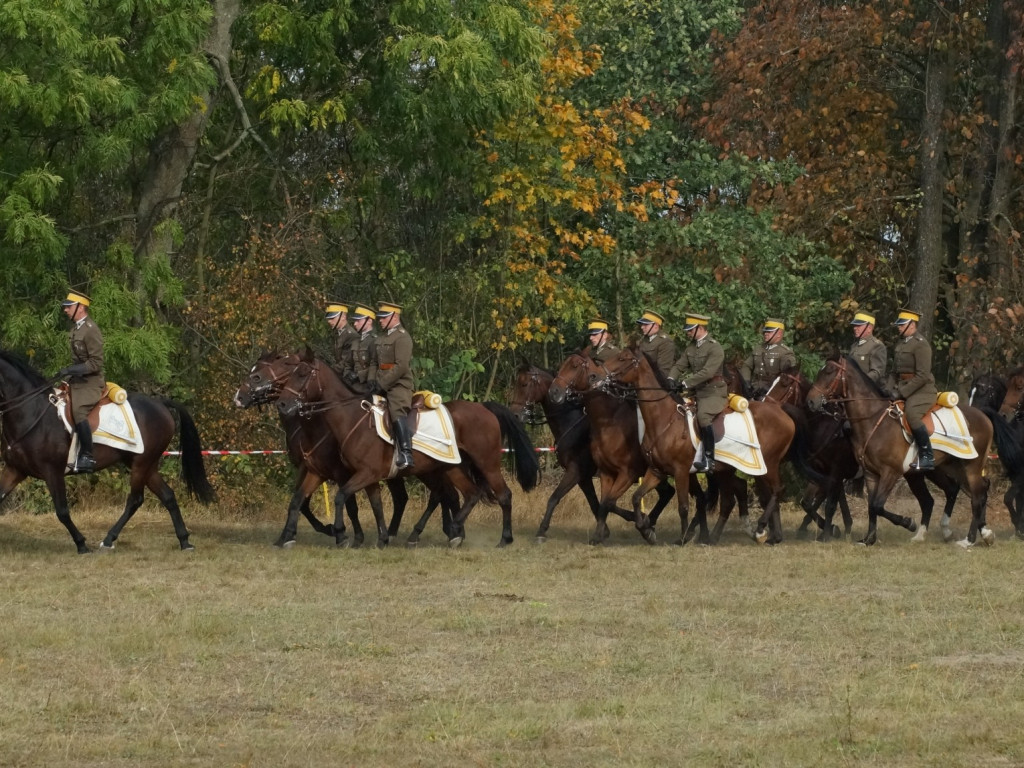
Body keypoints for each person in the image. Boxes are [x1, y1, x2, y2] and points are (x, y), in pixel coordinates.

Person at [667, 312, 728, 473]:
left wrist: (685, 383)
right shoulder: (691, 348)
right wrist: (671, 378)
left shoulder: (715, 347)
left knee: (703, 416)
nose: (687, 333)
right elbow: (680, 365)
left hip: (713, 392)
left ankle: (709, 459)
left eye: (690, 330)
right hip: (697, 391)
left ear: (699, 328)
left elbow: (708, 372)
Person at [57, 291, 104, 473]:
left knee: (78, 411)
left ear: (81, 307)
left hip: (91, 382)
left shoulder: (91, 329)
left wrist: (71, 370)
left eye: (69, 307)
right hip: (77, 380)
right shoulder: (76, 329)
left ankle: (87, 455)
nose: (66, 310)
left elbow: (96, 362)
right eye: (66, 307)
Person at [889, 308, 937, 471]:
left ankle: (927, 456)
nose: (899, 327)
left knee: (912, 415)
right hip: (903, 386)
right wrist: (888, 390)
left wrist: (902, 393)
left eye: (902, 324)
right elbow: (894, 372)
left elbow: (923, 375)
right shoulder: (902, 343)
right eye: (899, 324)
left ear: (912, 325)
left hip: (922, 390)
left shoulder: (921, 345)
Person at [372, 302, 415, 470]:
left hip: (399, 385)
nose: (380, 321)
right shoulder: (382, 338)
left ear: (394, 317)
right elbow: (376, 363)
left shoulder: (403, 337)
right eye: (380, 317)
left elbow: (401, 366)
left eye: (383, 318)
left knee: (396, 407)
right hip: (380, 382)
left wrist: (382, 383)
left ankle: (406, 452)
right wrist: (372, 382)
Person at [740, 317, 797, 399]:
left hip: (772, 394)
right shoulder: (758, 348)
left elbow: (788, 376)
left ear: (779, 334)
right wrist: (746, 382)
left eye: (770, 331)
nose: (766, 333)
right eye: (765, 331)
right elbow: (746, 366)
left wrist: (769, 387)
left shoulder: (785, 353)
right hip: (753, 389)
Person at [343, 304, 378, 386]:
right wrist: (346, 376)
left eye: (358, 321)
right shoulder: (355, 341)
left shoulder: (375, 341)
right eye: (355, 321)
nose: (355, 324)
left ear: (369, 321)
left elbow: (377, 366)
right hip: (354, 383)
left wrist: (358, 375)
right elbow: (348, 364)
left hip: (369, 383)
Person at [849, 311, 887, 384]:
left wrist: (859, 382)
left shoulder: (877, 346)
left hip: (870, 389)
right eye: (855, 325)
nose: (855, 328)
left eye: (859, 325)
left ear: (869, 328)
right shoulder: (854, 346)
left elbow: (877, 372)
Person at [325, 301, 359, 380]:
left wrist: (329, 371)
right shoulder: (338, 333)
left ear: (343, 317)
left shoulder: (351, 335)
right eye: (329, 318)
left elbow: (346, 363)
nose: (329, 321)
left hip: (349, 377)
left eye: (332, 318)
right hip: (340, 375)